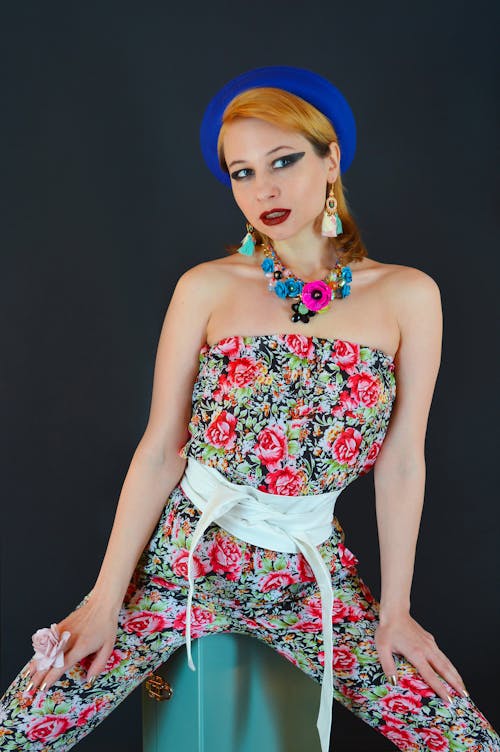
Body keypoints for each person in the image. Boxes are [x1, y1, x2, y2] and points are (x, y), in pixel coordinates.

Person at [0, 65, 498, 752]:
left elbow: (404, 461)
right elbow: (161, 449)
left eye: (283, 161)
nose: (262, 188)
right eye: (241, 172)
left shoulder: (408, 296)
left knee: (466, 740)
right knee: (21, 725)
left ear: (331, 160)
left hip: (309, 578)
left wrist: (398, 610)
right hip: (185, 564)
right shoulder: (207, 287)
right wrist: (103, 599)